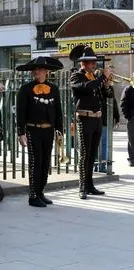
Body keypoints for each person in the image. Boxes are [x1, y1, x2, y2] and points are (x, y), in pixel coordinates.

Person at [15, 57, 64, 207]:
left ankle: (41, 191)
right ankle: (33, 195)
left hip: (48, 130)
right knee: (35, 162)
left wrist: (59, 130)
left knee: (45, 162)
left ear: (46, 71)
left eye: (40, 69)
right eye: (34, 69)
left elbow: (58, 110)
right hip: (32, 130)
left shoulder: (53, 88)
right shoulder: (26, 89)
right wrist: (20, 132)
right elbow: (20, 112)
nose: (36, 71)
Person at [69, 45, 114, 199]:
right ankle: (82, 187)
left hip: (97, 119)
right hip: (84, 118)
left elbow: (108, 95)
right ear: (83, 63)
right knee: (84, 155)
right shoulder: (76, 76)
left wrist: (107, 85)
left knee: (92, 154)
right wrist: (102, 78)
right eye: (91, 63)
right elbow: (87, 88)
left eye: (95, 63)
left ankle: (90, 185)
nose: (94, 65)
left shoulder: (96, 78)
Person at [120, 81, 134, 167]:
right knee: (132, 139)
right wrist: (128, 116)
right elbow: (123, 103)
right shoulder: (129, 89)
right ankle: (132, 159)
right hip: (132, 118)